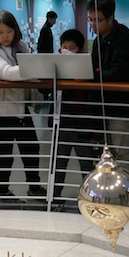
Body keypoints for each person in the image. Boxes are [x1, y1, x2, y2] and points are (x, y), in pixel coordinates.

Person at [0, 10, 45, 202]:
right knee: (5, 150)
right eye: (0, 32)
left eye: (8, 31)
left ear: (15, 30)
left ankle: (34, 186)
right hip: (0, 109)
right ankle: (3, 191)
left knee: (31, 146)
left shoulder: (21, 46)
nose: (5, 36)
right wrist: (38, 67)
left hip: (20, 106)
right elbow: (5, 72)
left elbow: (28, 71)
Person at [52, 29, 105, 205]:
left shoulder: (89, 70)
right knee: (58, 164)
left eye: (72, 48)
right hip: (63, 125)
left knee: (87, 165)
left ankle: (90, 200)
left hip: (83, 126)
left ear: (81, 50)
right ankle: (54, 197)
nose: (67, 51)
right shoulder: (57, 69)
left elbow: (95, 103)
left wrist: (96, 134)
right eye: (63, 48)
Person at [88, 0, 129, 175]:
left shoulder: (123, 39)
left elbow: (120, 73)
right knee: (106, 154)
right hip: (103, 106)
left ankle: (127, 196)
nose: (93, 24)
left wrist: (91, 76)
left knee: (124, 153)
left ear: (111, 18)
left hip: (121, 107)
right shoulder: (98, 40)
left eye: (98, 20)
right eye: (90, 19)